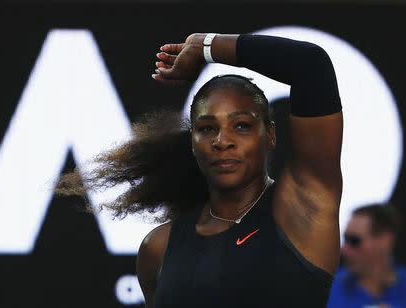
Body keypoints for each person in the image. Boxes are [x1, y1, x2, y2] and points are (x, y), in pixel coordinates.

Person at [56, 32, 343, 307]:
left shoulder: (303, 211)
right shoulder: (159, 247)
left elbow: (310, 65)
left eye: (241, 125)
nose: (222, 141)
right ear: (193, 143)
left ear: (269, 135)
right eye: (207, 129)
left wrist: (204, 46)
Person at [327, 204, 406, 308]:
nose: (344, 249)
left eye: (354, 241)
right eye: (345, 239)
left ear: (384, 241)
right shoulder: (328, 290)